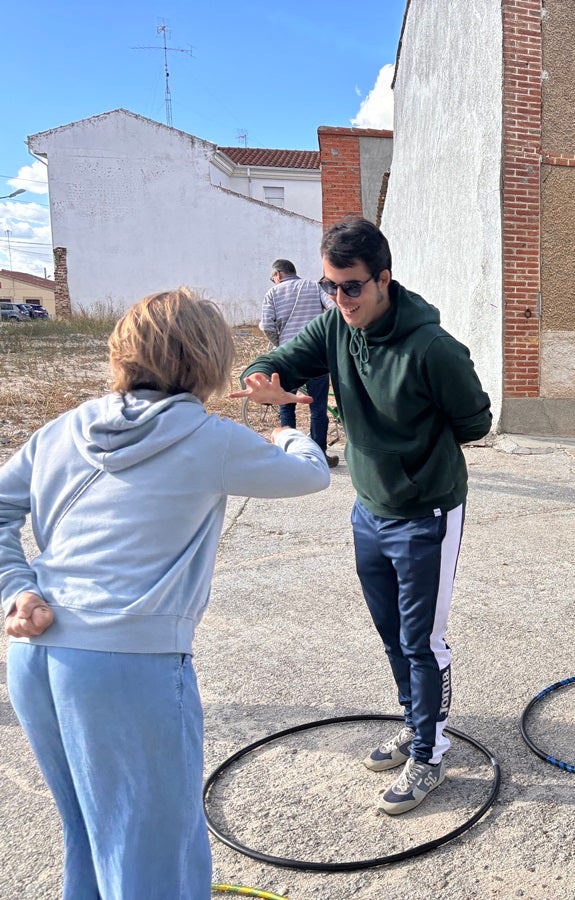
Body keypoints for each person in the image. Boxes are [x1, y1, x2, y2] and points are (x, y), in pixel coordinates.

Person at [0, 289, 330, 898]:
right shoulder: (211, 440)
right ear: (206, 361)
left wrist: (15, 589)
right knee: (153, 854)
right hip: (127, 666)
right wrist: (287, 424)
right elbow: (312, 475)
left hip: (34, 658)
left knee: (92, 834)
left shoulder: (64, 428)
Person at [235, 217, 492, 815]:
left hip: (426, 512)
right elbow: (274, 360)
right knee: (389, 634)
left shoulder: (433, 349)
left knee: (422, 639)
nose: (340, 300)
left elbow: (475, 423)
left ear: (383, 279)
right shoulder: (332, 328)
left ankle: (430, 753)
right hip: (368, 509)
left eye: (351, 287)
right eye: (330, 286)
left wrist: (417, 458)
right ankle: (412, 722)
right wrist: (260, 382)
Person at [261, 258, 339, 467]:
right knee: (318, 407)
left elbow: (266, 325)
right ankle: (319, 455)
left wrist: (281, 342)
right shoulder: (313, 287)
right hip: (316, 357)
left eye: (273, 278)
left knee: (286, 406)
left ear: (278, 274)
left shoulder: (273, 294)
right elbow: (333, 309)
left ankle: (291, 456)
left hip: (287, 358)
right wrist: (321, 336)